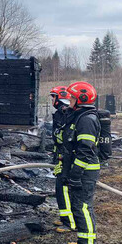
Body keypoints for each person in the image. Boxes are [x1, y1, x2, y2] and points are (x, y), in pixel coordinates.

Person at [61, 81, 101, 244]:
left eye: (72, 97)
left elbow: (85, 149)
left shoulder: (86, 120)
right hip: (79, 170)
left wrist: (76, 173)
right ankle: (82, 242)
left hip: (84, 171)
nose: (69, 100)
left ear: (81, 99)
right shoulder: (80, 116)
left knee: (83, 207)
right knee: (78, 206)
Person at [49, 86, 75, 233]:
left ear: (59, 98)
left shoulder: (65, 113)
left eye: (53, 97)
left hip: (65, 157)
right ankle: (65, 217)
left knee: (63, 188)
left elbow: (63, 137)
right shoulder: (61, 113)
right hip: (60, 156)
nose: (52, 100)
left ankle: (69, 222)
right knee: (60, 188)